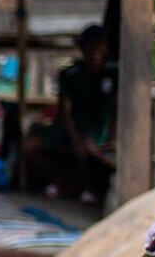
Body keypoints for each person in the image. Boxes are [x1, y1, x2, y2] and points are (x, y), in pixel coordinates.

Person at [25, 24, 115, 205]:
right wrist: (74, 136)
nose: (95, 49)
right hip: (68, 125)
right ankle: (63, 180)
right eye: (90, 44)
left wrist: (110, 139)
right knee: (28, 147)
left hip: (97, 126)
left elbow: (116, 110)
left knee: (84, 149)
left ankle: (87, 187)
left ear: (106, 48)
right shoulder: (71, 74)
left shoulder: (114, 73)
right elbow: (64, 111)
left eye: (100, 44)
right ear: (82, 47)